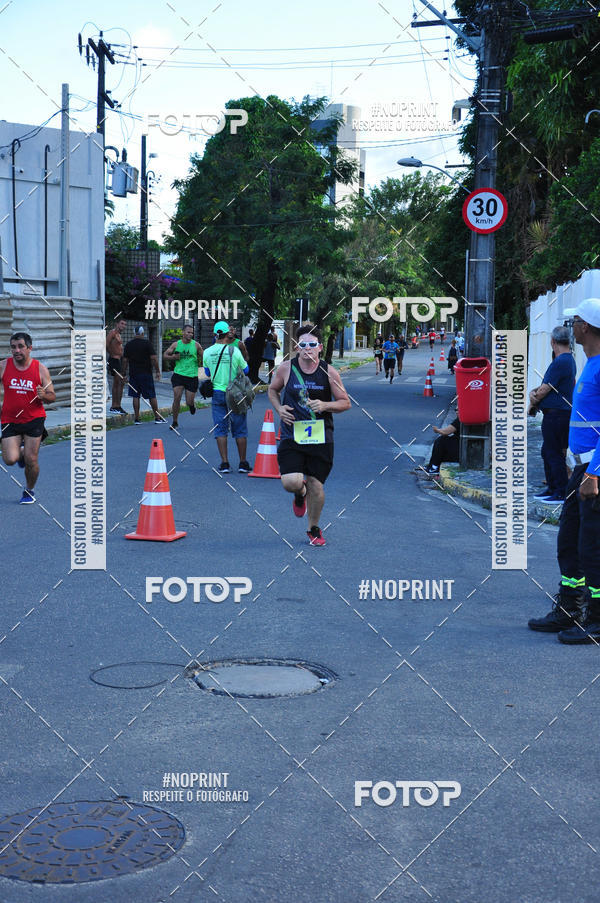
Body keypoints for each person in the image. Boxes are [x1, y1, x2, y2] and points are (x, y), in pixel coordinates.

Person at [527, 298, 600, 643]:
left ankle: (596, 619)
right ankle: (570, 608)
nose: (571, 329)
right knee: (569, 541)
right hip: (582, 467)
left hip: (593, 472)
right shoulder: (590, 363)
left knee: (592, 547)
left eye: (574, 322)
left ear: (585, 326)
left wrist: (593, 474)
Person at [268, 324, 350, 547]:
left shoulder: (329, 372)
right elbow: (272, 390)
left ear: (320, 347)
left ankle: (313, 528)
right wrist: (279, 409)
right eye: (303, 344)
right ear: (296, 347)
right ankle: (299, 493)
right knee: (291, 482)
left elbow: (345, 402)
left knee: (316, 484)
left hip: (321, 437)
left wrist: (324, 405)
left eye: (312, 344)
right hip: (291, 434)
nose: (307, 349)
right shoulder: (286, 368)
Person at [0, 332, 56, 504]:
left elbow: (52, 396)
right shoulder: (3, 366)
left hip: (34, 419)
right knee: (10, 459)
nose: (16, 350)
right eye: (13, 347)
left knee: (31, 459)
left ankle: (29, 490)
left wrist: (44, 395)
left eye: (20, 347)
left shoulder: (40, 369)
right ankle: (21, 452)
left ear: (29, 348)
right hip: (9, 419)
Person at [529, 326, 576, 503]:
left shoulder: (560, 361)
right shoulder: (568, 360)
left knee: (553, 453)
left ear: (553, 342)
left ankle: (560, 491)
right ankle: (553, 487)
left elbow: (544, 389)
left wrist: (533, 398)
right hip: (560, 414)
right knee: (548, 451)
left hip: (556, 415)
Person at [203, 320, 251, 474]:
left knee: (220, 429)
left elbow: (208, 372)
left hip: (217, 393)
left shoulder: (207, 352)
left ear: (215, 334)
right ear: (227, 334)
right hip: (235, 393)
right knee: (240, 428)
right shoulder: (234, 350)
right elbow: (246, 370)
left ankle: (224, 463)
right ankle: (242, 463)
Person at [163, 324, 203, 431]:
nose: (190, 334)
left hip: (192, 376)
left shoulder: (196, 345)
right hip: (179, 375)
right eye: (188, 332)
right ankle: (175, 421)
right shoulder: (176, 344)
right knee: (177, 397)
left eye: (192, 333)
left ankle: (191, 405)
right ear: (183, 332)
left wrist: (207, 368)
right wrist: (173, 357)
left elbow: (204, 357)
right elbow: (165, 355)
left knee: (189, 401)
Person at [123, 326, 164, 424]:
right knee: (151, 395)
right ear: (142, 333)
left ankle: (137, 419)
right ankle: (157, 417)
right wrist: (158, 371)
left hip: (133, 374)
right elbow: (154, 358)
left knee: (135, 396)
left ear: (134, 333)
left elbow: (125, 360)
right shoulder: (147, 344)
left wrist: (123, 373)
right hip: (146, 373)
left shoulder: (129, 345)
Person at [106, 317, 127, 414]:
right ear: (117, 324)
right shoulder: (113, 333)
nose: (124, 326)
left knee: (120, 383)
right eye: (122, 323)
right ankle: (115, 406)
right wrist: (111, 353)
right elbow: (106, 344)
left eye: (125, 324)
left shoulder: (119, 334)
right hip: (114, 360)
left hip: (119, 360)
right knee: (117, 383)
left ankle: (117, 405)